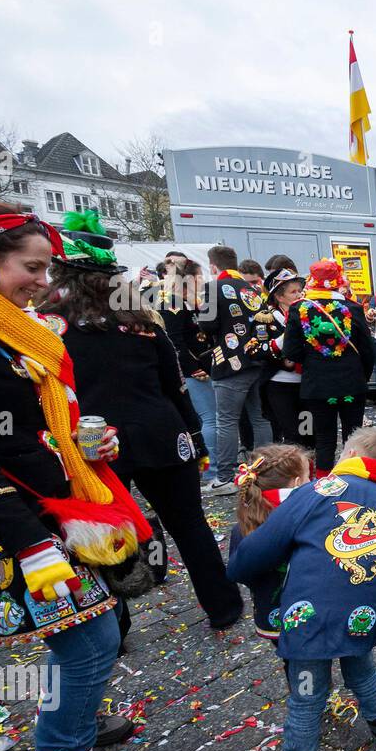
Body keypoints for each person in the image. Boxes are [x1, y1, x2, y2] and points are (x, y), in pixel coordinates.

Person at [0, 202, 149, 751]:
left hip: (51, 510)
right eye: (31, 267)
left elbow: (33, 425)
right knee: (92, 640)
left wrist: (87, 447)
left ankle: (77, 717)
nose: (44, 281)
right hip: (15, 526)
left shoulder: (6, 328)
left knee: (91, 634)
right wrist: (31, 544)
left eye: (47, 268)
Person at [46, 210, 243, 632]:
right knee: (189, 525)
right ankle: (224, 606)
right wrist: (196, 437)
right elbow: (175, 387)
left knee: (102, 534)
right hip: (161, 434)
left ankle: (114, 626)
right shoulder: (141, 325)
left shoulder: (50, 330)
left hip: (94, 443)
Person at [226, 428, 376, 751]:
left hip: (308, 619)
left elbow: (255, 554)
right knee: (361, 671)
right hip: (363, 617)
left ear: (347, 452)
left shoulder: (316, 492)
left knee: (307, 695)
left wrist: (246, 565)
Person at [282, 259, 374, 473]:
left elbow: (291, 352)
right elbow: (367, 350)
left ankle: (324, 485)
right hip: (351, 384)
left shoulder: (299, 309)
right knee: (354, 437)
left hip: (318, 386)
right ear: (338, 281)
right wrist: (362, 376)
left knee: (324, 439)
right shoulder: (352, 307)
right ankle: (353, 480)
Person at [202, 245, 273, 495]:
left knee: (226, 421)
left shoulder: (212, 288)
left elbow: (207, 325)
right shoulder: (251, 288)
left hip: (229, 363)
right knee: (259, 417)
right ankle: (265, 469)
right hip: (256, 360)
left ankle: (224, 477)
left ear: (213, 266)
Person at [229, 443, 311, 644]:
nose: (312, 481)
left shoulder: (243, 525)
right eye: (309, 477)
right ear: (297, 483)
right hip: (310, 609)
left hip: (271, 611)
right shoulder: (306, 519)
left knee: (289, 658)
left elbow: (241, 573)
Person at [160, 257, 217, 480]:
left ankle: (211, 469)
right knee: (210, 419)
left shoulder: (191, 301)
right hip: (194, 371)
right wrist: (192, 368)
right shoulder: (172, 302)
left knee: (209, 419)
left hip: (205, 366)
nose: (203, 279)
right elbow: (175, 341)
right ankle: (212, 473)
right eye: (200, 275)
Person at [257, 267, 307, 446]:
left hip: (306, 385)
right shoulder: (265, 319)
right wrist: (286, 340)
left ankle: (309, 470)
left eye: (299, 290)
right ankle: (294, 471)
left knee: (308, 432)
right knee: (292, 434)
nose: (299, 294)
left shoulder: (309, 314)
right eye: (293, 292)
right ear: (279, 297)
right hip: (280, 386)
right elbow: (256, 351)